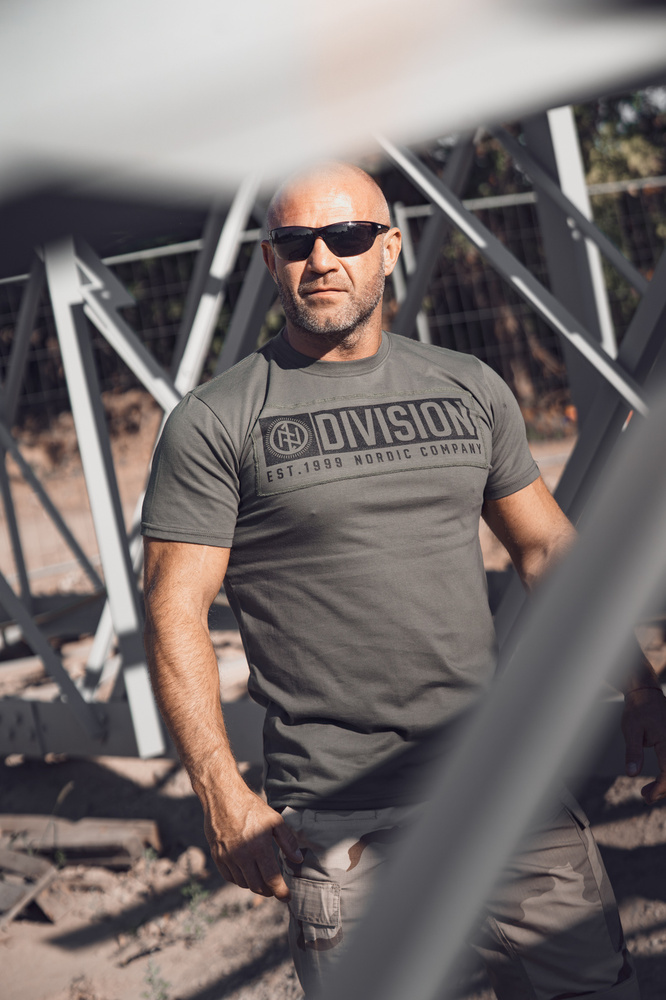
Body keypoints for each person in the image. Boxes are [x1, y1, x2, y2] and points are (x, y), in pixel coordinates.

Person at [141, 162, 666, 999]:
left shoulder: (469, 387)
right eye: (296, 242)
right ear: (270, 261)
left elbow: (546, 551)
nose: (322, 259)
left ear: (388, 248)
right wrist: (219, 789)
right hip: (342, 825)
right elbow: (175, 608)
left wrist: (640, 688)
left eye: (346, 237)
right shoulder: (216, 421)